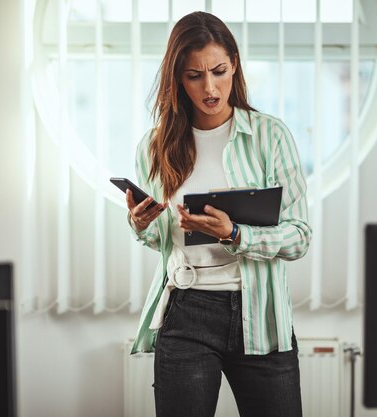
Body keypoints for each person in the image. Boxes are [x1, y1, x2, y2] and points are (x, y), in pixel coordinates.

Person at [125, 11, 311, 417]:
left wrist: (236, 234)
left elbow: (299, 236)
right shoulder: (154, 147)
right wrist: (141, 224)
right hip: (186, 309)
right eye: (194, 75)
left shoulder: (270, 136)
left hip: (260, 313)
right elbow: (161, 238)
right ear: (178, 78)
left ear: (235, 66)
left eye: (219, 71)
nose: (210, 87)